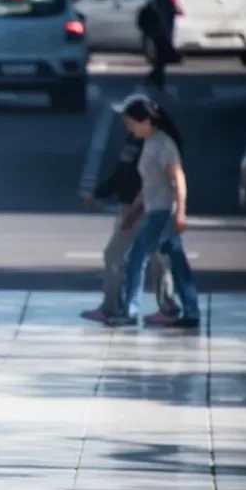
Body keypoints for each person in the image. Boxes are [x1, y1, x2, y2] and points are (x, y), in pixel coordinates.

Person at [81, 93, 179, 322]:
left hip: (147, 208)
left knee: (147, 258)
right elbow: (120, 175)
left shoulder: (155, 143)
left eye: (127, 118)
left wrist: (138, 208)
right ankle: (117, 306)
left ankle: (162, 307)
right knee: (132, 256)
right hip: (131, 207)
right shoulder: (133, 140)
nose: (124, 122)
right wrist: (99, 193)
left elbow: (161, 179)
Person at [106, 96, 201, 329]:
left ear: (146, 120)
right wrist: (135, 212)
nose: (128, 128)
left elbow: (178, 178)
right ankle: (191, 311)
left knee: (135, 258)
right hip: (155, 210)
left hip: (163, 213)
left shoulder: (163, 145)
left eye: (130, 123)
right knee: (178, 263)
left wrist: (180, 212)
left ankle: (130, 311)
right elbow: (148, 184)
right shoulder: (150, 143)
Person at [138, 0, 178, 91]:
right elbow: (163, 16)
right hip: (161, 31)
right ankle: (155, 79)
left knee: (161, 59)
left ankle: (156, 79)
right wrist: (166, 33)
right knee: (161, 58)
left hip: (158, 31)